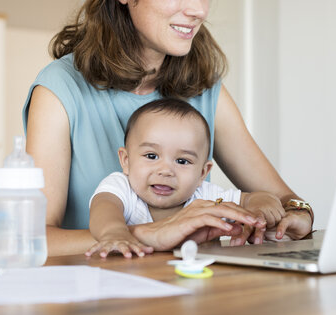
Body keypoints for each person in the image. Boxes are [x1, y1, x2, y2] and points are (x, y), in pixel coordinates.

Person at [23, 0, 313, 256]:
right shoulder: (60, 89)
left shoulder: (205, 88)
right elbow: (34, 241)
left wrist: (299, 213)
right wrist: (152, 234)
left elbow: (284, 199)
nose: (198, 10)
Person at [86, 98, 290, 258]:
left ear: (203, 172)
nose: (166, 170)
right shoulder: (121, 187)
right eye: (151, 156)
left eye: (182, 161)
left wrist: (260, 209)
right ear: (126, 161)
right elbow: (104, 207)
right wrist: (114, 233)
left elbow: (254, 199)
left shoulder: (206, 197)